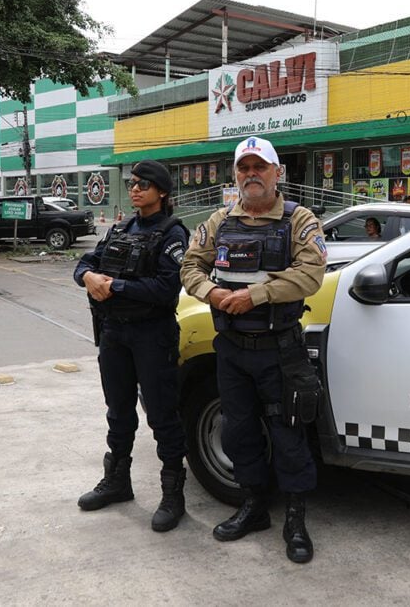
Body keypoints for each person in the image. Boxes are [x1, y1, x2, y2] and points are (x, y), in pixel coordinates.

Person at [180, 136, 327, 564]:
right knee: (240, 430)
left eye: (259, 167)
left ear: (277, 173)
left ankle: (296, 519)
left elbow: (311, 274)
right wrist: (211, 292)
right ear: (235, 176)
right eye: (243, 168)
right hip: (231, 348)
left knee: (288, 432)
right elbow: (191, 264)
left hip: (279, 348)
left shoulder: (300, 221)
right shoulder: (219, 221)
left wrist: (255, 296)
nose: (251, 175)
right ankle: (253, 507)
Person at [73, 160, 190, 532]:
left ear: (163, 192)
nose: (135, 188)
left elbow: (166, 288)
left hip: (152, 335)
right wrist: (89, 276)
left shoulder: (173, 234)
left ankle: (173, 495)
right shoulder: (121, 227)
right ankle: (118, 481)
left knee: (161, 415)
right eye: (133, 183)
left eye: (144, 184)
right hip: (115, 333)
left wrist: (115, 287)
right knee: (118, 410)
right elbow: (84, 264)